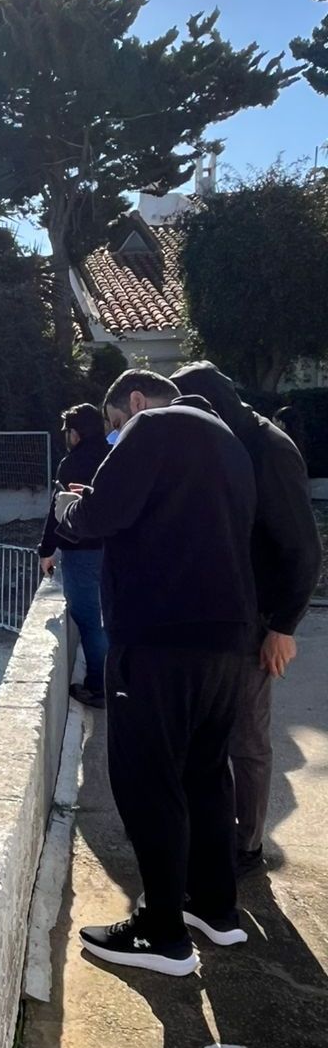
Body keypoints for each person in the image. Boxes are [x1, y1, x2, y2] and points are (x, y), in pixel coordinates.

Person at [56, 369, 257, 976]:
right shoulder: (228, 439)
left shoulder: (150, 426)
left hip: (158, 640)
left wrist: (68, 507)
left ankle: (162, 934)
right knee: (205, 773)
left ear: (136, 401)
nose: (113, 435)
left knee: (147, 780)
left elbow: (101, 514)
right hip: (227, 639)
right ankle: (215, 907)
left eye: (113, 424)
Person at [171, 362, 322, 876]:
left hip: (255, 620)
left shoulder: (268, 449)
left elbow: (304, 548)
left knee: (247, 740)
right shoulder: (224, 440)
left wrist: (283, 628)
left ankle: (246, 844)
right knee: (205, 734)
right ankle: (210, 830)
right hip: (214, 614)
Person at [38, 404, 110, 707]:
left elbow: (58, 513)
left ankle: (98, 687)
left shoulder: (72, 464)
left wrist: (46, 551)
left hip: (82, 552)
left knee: (90, 620)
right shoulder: (115, 456)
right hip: (113, 549)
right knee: (110, 616)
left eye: (67, 431)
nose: (66, 437)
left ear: (76, 433)